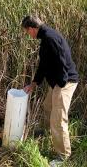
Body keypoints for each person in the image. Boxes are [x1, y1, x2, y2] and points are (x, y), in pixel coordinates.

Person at [21, 15, 78, 165]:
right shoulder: (46, 37)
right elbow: (44, 65)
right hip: (58, 82)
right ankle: (44, 133)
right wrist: (34, 84)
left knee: (58, 119)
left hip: (65, 82)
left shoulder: (50, 38)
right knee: (47, 107)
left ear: (32, 29)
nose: (28, 35)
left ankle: (63, 156)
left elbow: (62, 61)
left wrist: (61, 84)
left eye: (27, 31)